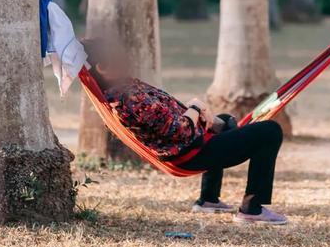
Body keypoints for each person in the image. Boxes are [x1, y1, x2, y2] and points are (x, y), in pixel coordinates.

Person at [82, 37, 287, 225]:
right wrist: (196, 107)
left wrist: (203, 114)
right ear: (103, 67)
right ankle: (252, 208)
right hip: (190, 153)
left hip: (190, 144)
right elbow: (180, 130)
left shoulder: (124, 90)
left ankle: (208, 199)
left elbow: (172, 120)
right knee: (270, 131)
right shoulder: (129, 100)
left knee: (225, 122)